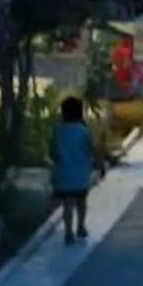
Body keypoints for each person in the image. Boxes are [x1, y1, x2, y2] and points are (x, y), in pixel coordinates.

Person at [51, 95, 96, 242]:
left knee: (67, 205)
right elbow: (91, 149)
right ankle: (81, 227)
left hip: (64, 173)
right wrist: (98, 165)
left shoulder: (58, 131)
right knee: (82, 202)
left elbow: (53, 151)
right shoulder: (84, 131)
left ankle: (68, 232)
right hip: (81, 173)